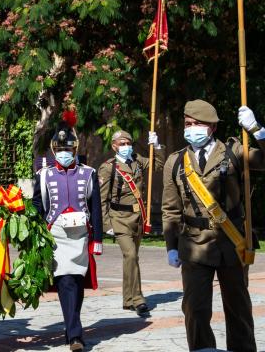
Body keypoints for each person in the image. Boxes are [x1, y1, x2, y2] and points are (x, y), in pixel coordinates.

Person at [162, 100, 265, 352]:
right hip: (193, 245)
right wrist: (171, 247)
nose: (192, 128)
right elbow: (170, 210)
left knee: (238, 309)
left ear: (212, 127)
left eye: (198, 124)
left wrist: (257, 130)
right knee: (195, 310)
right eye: (188, 124)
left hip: (232, 242)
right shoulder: (175, 162)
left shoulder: (233, 152)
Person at [32, 113, 103, 352]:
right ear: (53, 150)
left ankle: (72, 326)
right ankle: (75, 336)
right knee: (66, 282)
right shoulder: (43, 176)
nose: (64, 152)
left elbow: (95, 209)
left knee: (76, 281)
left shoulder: (89, 173)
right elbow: (38, 207)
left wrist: (98, 239)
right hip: (56, 237)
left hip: (81, 236)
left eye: (68, 148)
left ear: (75, 149)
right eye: (60, 148)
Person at [98, 130, 164, 316]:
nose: (126, 147)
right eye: (122, 144)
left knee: (131, 258)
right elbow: (102, 199)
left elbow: (157, 166)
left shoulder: (138, 161)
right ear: (114, 146)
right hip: (119, 218)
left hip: (138, 218)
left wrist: (157, 147)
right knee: (131, 255)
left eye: (128, 143)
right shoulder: (108, 168)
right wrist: (106, 224)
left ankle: (127, 299)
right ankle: (138, 299)